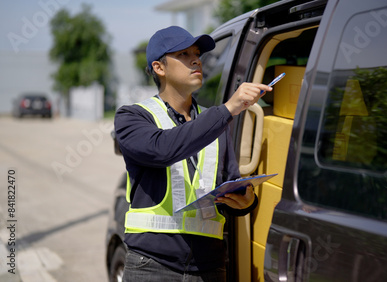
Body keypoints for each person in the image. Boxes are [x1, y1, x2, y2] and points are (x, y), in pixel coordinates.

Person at [114, 26, 272, 281]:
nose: (196, 59)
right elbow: (162, 149)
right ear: (159, 67)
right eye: (184, 54)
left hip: (209, 268)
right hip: (152, 267)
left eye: (197, 53)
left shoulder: (215, 123)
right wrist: (229, 109)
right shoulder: (132, 116)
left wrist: (246, 202)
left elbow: (227, 186)